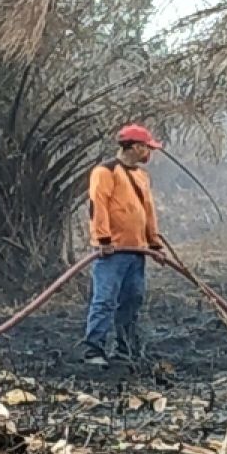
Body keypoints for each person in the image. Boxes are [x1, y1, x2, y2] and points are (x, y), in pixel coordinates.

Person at [81, 124, 166, 365]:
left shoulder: (141, 176)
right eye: (147, 148)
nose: (149, 153)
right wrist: (103, 240)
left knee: (132, 299)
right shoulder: (105, 172)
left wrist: (154, 244)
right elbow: (98, 206)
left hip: (137, 251)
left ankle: (124, 349)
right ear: (136, 147)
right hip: (112, 252)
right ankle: (93, 350)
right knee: (105, 299)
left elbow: (148, 212)